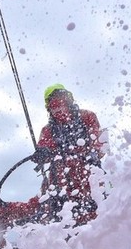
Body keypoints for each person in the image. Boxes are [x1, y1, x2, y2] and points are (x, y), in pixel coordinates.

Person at [32, 84, 105, 226]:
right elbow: (44, 151)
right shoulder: (48, 130)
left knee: (98, 221)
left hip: (90, 182)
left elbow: (99, 144)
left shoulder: (87, 117)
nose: (59, 107)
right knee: (68, 226)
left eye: (61, 100)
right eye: (54, 103)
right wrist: (41, 154)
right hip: (63, 187)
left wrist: (92, 155)